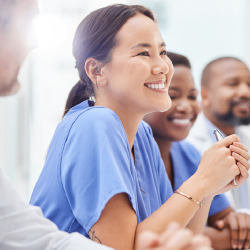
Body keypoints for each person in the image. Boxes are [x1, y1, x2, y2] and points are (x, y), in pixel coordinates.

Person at [30, 4, 250, 250]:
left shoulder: (143, 136)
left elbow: (175, 238)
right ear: (96, 70)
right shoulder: (94, 124)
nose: (163, 67)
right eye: (144, 54)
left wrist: (208, 188)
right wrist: (201, 180)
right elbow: (121, 247)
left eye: (163, 52)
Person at [144, 51, 250, 250]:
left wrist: (236, 221)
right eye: (172, 95)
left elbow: (228, 223)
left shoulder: (189, 155)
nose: (185, 106)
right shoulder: (132, 155)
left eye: (192, 96)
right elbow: (144, 238)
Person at [187, 57, 250, 211]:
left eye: (249, 85)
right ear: (205, 95)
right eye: (232, 84)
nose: (245, 92)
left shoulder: (245, 138)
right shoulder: (186, 142)